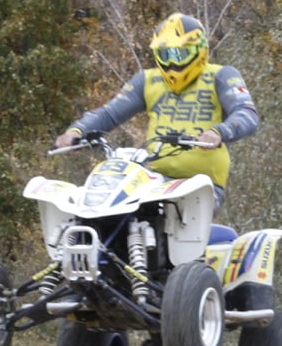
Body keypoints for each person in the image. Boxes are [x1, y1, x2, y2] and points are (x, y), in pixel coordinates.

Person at [55, 13, 259, 208]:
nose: (172, 62)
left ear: (199, 49)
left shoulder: (221, 76)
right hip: (152, 181)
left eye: (180, 54)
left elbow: (246, 112)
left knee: (168, 211)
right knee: (110, 206)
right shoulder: (147, 80)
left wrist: (219, 132)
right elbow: (110, 113)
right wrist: (77, 130)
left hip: (201, 185)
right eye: (165, 54)